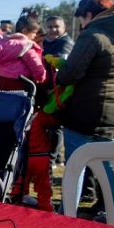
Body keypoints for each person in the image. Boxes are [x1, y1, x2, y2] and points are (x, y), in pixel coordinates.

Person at [56, 0, 114, 215]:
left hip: (86, 111)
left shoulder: (93, 34)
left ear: (89, 15)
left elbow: (70, 74)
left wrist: (61, 70)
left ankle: (66, 214)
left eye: (81, 19)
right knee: (112, 168)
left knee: (76, 166)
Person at [0, 7, 47, 91]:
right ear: (25, 30)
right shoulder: (25, 46)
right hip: (16, 82)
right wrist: (40, 78)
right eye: (34, 32)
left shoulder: (0, 43)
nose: (35, 36)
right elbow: (35, 65)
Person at [42, 15, 75, 165]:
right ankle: (56, 156)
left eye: (56, 26)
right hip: (50, 87)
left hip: (61, 90)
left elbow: (61, 65)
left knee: (56, 125)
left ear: (64, 28)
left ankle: (53, 158)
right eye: (50, 27)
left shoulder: (65, 43)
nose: (53, 30)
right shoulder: (46, 42)